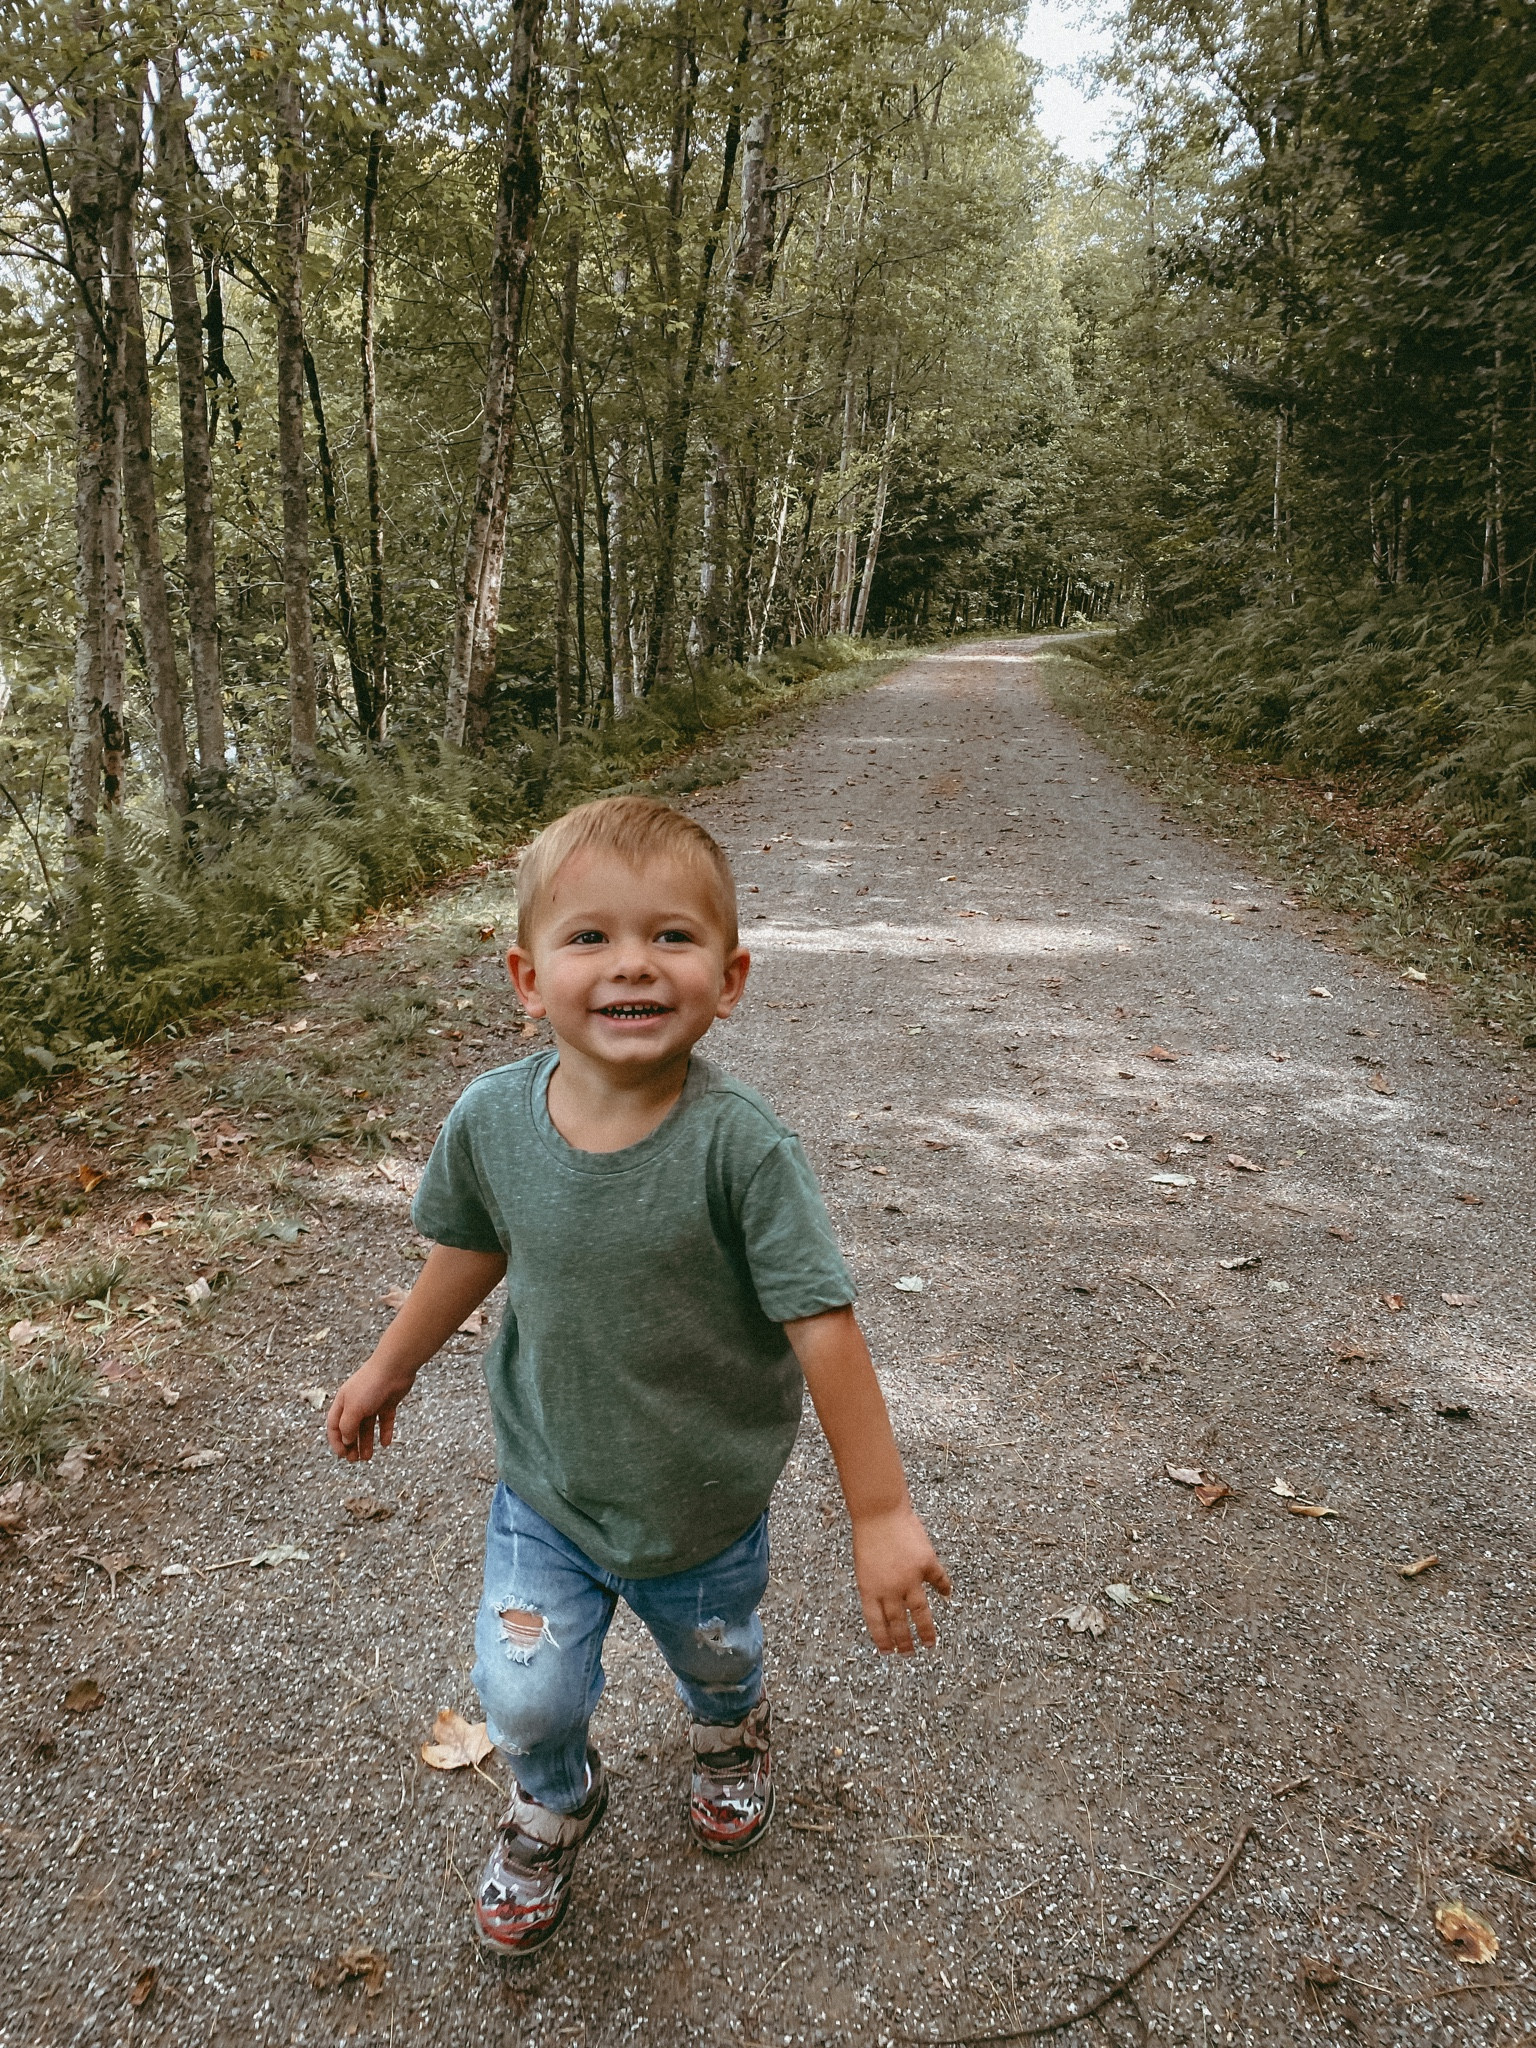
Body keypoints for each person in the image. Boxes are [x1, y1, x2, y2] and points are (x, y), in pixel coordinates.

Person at [326, 794, 950, 1956]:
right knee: (523, 1693)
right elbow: (473, 1247)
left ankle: (730, 1728)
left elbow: (823, 1323)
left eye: (671, 936)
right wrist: (388, 1365)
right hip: (548, 1490)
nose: (633, 965)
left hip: (703, 1502)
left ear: (732, 975)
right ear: (525, 975)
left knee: (715, 1654)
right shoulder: (492, 1121)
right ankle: (553, 1795)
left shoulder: (742, 1148)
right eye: (590, 937)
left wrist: (881, 1509)